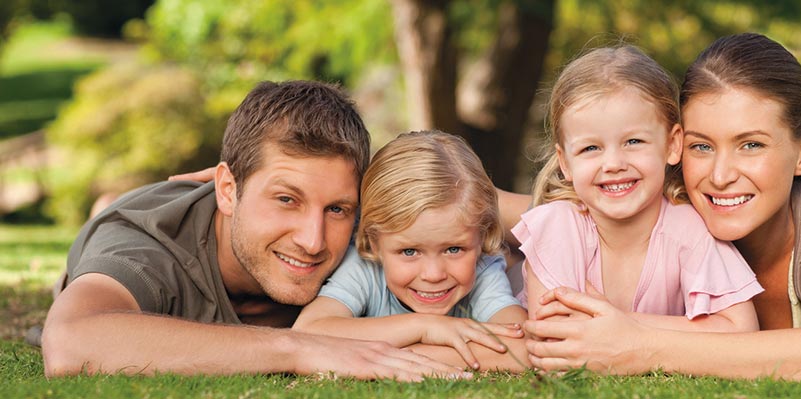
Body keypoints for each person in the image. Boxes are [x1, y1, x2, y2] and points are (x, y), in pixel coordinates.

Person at [520, 33, 801, 383]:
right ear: (677, 148)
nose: (720, 176)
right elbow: (520, 213)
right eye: (701, 146)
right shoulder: (656, 196)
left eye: (751, 144)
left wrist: (635, 341)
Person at [41, 80, 467, 380]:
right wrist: (298, 348)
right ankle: (107, 205)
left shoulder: (366, 233)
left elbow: (477, 205)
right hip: (143, 215)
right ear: (227, 189)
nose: (313, 240)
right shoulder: (149, 247)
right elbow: (70, 343)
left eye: (336, 208)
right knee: (112, 220)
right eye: (286, 199)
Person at [515, 45, 762, 339]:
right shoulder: (557, 227)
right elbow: (552, 334)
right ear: (565, 163)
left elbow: (742, 329)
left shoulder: (691, 229)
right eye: (590, 148)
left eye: (633, 141)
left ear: (672, 145)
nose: (614, 164)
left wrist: (621, 323)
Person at [292, 130, 529, 371]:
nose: (433, 274)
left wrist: (397, 354)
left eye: (454, 249)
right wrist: (424, 327)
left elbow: (522, 347)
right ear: (374, 242)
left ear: (483, 238)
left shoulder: (484, 270)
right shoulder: (365, 268)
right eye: (409, 252)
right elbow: (308, 331)